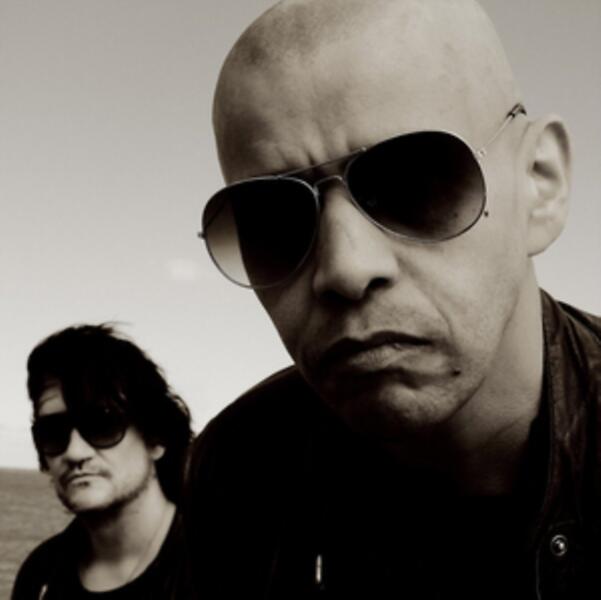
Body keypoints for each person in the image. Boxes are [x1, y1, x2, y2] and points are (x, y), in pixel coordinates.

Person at [187, 0, 601, 598]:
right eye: (273, 222)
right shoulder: (239, 470)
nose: (346, 269)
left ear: (540, 184)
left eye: (414, 183)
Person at [12, 324, 193, 600]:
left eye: (101, 424)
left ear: (155, 437)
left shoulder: (225, 565)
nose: (75, 452)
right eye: (53, 432)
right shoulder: (40, 575)